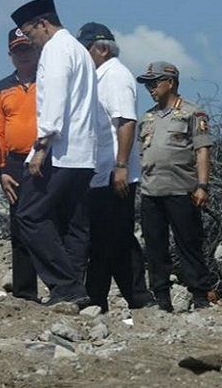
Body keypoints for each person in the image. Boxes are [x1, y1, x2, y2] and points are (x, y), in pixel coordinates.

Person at [10, 0, 98, 307]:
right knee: (72, 222)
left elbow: (55, 100)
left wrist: (41, 147)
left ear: (43, 24)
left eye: (29, 33)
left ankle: (65, 286)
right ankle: (76, 292)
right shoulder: (78, 51)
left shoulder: (56, 51)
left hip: (59, 151)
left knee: (29, 215)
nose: (28, 40)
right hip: (83, 154)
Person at [76, 22, 154, 312]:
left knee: (115, 238)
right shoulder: (97, 77)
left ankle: (128, 297)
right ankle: (117, 297)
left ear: (102, 48)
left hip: (114, 173)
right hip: (100, 173)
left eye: (86, 49)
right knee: (107, 239)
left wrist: (121, 165)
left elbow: (126, 121)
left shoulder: (116, 76)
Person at [136, 61, 218, 312]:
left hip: (182, 190)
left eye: (155, 82)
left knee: (189, 244)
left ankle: (200, 295)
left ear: (170, 82)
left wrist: (202, 185)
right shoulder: (147, 118)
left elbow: (202, 150)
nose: (151, 88)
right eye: (147, 84)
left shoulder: (192, 113)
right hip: (151, 191)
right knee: (155, 246)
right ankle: (161, 296)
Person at [0, 28, 41, 302]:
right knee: (20, 228)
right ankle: (25, 293)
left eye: (27, 48)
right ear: (10, 55)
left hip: (48, 159)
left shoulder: (49, 80)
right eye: (17, 50)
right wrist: (0, 170)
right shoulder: (1, 88)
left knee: (55, 225)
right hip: (16, 163)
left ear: (36, 50)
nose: (23, 55)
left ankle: (64, 289)